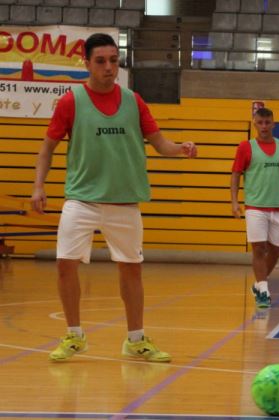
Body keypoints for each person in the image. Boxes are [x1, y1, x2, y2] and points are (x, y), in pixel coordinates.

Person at [30, 33, 197, 362]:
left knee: (131, 270)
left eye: (113, 60)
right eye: (101, 61)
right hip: (81, 199)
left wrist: (182, 149)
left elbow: (161, 145)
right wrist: (39, 186)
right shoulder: (70, 101)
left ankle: (136, 339)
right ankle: (74, 336)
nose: (109, 67)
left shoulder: (134, 101)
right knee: (65, 264)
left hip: (124, 202)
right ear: (87, 62)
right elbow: (46, 149)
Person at [230, 107, 279, 308]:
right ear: (255, 123)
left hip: (278, 207)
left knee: (276, 251)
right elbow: (235, 174)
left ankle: (259, 284)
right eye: (260, 123)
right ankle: (263, 291)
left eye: (268, 123)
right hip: (255, 207)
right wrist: (234, 202)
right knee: (259, 249)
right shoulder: (246, 147)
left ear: (273, 123)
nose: (264, 127)